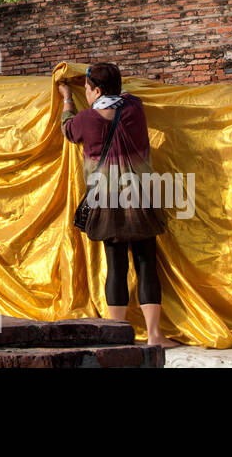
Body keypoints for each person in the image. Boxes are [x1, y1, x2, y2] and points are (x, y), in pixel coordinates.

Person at [60, 61, 177, 348]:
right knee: (146, 263)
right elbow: (124, 95)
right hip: (141, 198)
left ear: (97, 91)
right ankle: (154, 335)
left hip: (106, 200)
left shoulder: (86, 120)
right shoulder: (134, 108)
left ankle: (119, 337)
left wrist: (67, 97)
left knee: (116, 267)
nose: (86, 93)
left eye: (87, 89)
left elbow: (67, 129)